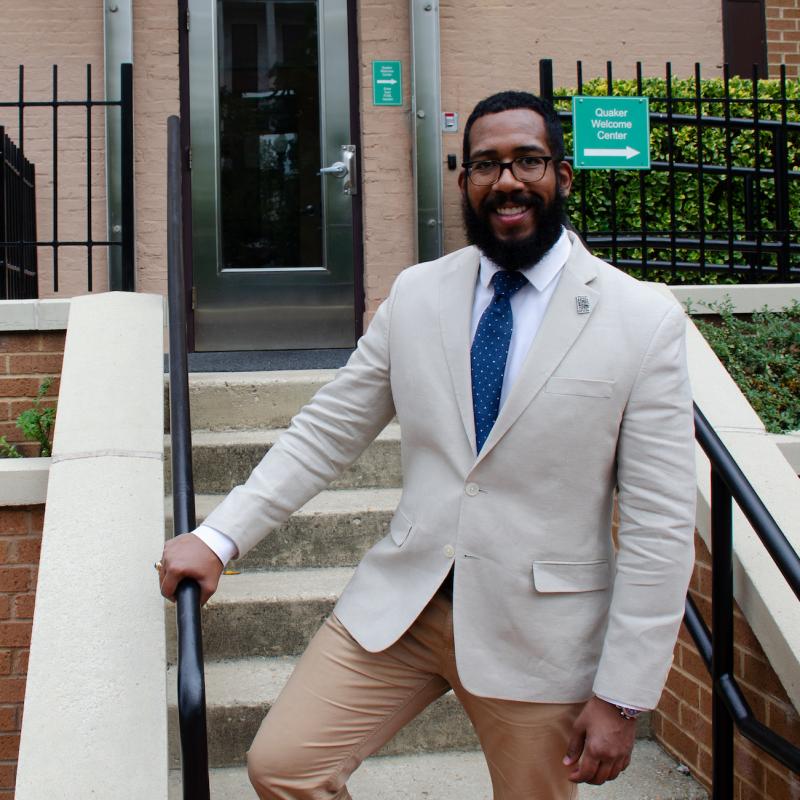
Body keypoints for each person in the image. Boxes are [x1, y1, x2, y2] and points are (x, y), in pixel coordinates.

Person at [159, 90, 696, 800]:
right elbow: (328, 430)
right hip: (405, 606)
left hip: (540, 634)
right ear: (466, 180)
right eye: (485, 164)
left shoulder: (643, 319)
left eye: (527, 161)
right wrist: (220, 537)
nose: (506, 181)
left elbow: (662, 526)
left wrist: (623, 695)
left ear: (562, 177)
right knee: (286, 766)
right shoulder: (417, 295)